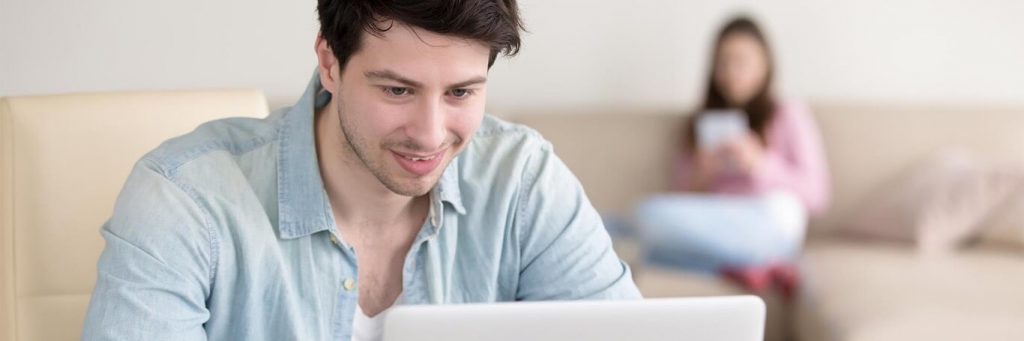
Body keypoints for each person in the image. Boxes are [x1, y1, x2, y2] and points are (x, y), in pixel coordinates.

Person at [82, 1, 641, 340]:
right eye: (397, 90)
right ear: (329, 62)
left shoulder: (523, 183)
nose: (429, 132)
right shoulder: (184, 200)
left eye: (461, 92)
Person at [634, 16, 830, 297]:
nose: (732, 72)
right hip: (717, 222)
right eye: (723, 63)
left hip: (769, 218)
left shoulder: (788, 114)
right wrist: (701, 176)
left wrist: (761, 164)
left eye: (742, 62)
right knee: (648, 229)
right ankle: (755, 268)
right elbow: (682, 207)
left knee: (647, 219)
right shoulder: (697, 124)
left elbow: (818, 195)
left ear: (765, 64)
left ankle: (756, 261)